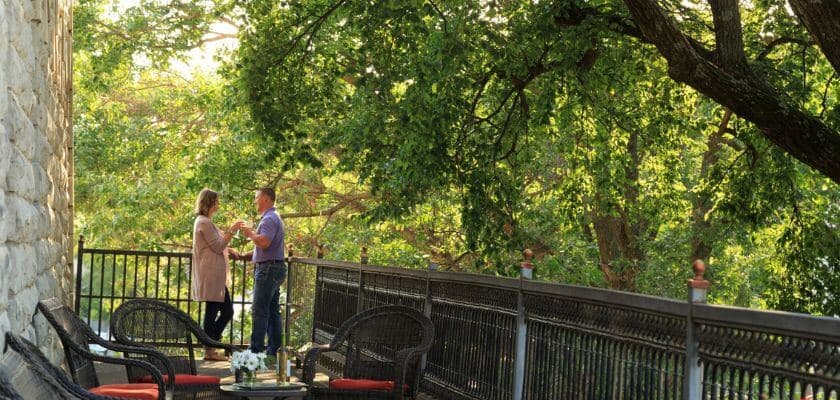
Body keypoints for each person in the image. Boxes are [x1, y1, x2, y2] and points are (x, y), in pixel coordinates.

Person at [191, 188, 243, 361]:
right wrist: (233, 229)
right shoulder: (204, 222)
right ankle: (210, 348)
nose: (218, 205)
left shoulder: (205, 221)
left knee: (218, 311)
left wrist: (231, 248)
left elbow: (217, 243)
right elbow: (218, 245)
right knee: (220, 311)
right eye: (216, 201)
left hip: (213, 273)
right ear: (210, 203)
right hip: (211, 273)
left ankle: (211, 347)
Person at [239, 187, 286, 355]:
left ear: (265, 199)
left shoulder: (269, 219)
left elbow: (265, 242)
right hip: (274, 268)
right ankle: (273, 351)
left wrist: (250, 233)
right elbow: (270, 247)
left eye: (256, 198)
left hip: (268, 270)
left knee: (259, 311)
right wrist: (250, 254)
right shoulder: (274, 217)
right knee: (272, 311)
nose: (255, 201)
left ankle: (255, 352)